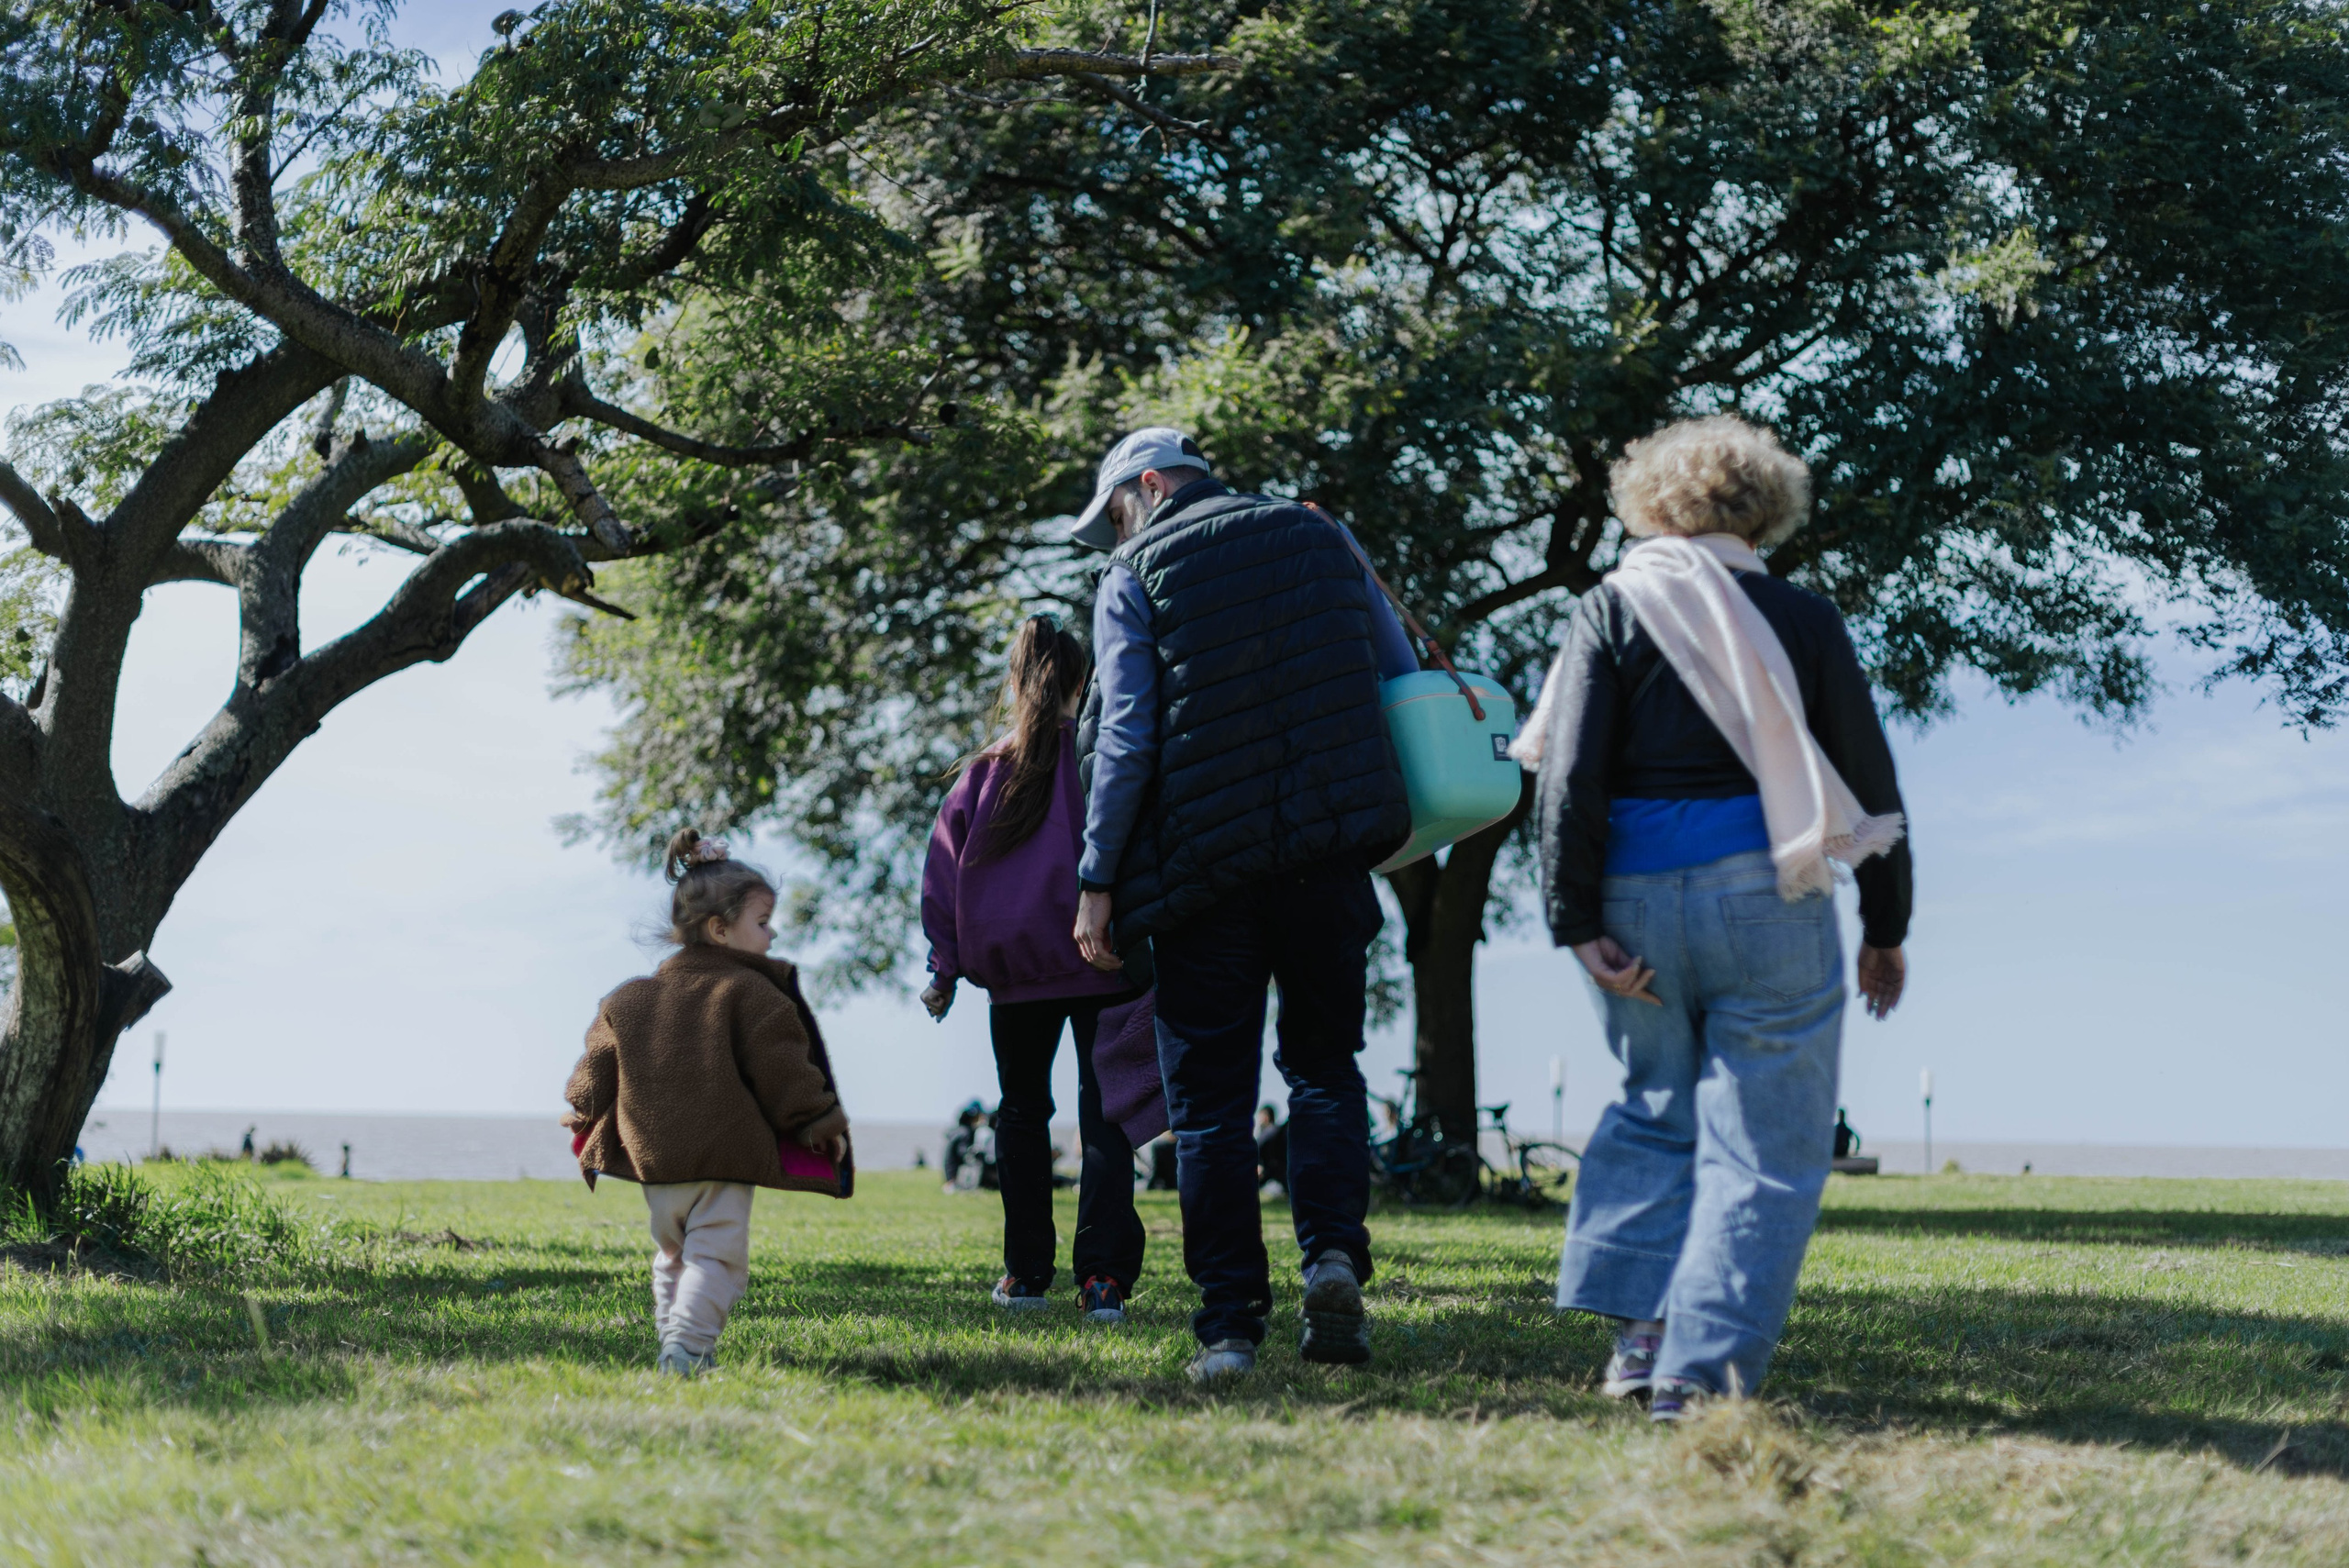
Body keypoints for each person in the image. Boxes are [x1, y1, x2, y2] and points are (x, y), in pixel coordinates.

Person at [1524, 415, 1911, 1422]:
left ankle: (1637, 1340)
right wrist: (1885, 923)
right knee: (1765, 1146)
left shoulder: (1609, 606)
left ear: (1649, 502)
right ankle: (1696, 1375)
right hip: (1768, 893)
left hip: (1633, 901)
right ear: (1767, 508)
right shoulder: (1803, 617)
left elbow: (1570, 776)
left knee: (1655, 1103)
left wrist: (1572, 919)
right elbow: (1868, 782)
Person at [1066, 427, 1419, 1382]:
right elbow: (1399, 678)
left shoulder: (1134, 573)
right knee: (1324, 1067)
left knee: (1213, 1104)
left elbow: (1128, 734)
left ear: (1146, 486)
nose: (1113, 535)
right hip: (1327, 857)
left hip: (1201, 873)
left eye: (1113, 516)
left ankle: (1228, 1328)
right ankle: (1334, 1257)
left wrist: (1097, 881)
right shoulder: (1322, 534)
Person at [921, 615, 1146, 1324]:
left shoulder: (985, 773)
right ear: (1083, 681)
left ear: (1015, 681)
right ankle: (1103, 1280)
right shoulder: (1104, 762)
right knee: (1105, 1116)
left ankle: (1025, 1275)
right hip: (1105, 960)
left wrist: (944, 967)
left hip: (1016, 975)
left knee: (1021, 1112)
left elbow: (943, 875)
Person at [562, 829, 852, 1376]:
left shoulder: (626, 999)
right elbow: (784, 1070)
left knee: (673, 1253)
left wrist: (582, 1113)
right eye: (762, 923)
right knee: (716, 1256)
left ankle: (676, 1342)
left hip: (656, 1162)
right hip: (721, 1154)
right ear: (720, 929)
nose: (771, 935)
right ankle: (688, 1349)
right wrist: (817, 1119)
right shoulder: (749, 993)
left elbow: (592, 1073)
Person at [1254, 1106, 1290, 1195]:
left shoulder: (1269, 1132)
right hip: (1283, 1176)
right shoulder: (1278, 1131)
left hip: (1272, 1176)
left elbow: (1256, 1150)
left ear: (1266, 1117)